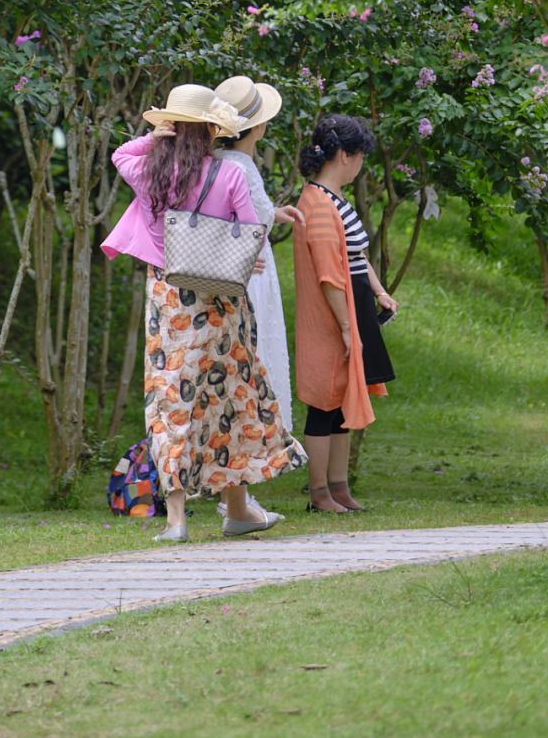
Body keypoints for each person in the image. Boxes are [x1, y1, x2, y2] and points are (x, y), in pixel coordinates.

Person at [102, 82, 306, 542]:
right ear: (215, 129)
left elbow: (120, 153)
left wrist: (160, 136)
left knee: (172, 399)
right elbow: (250, 231)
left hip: (170, 300)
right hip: (220, 302)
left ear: (174, 125)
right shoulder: (229, 174)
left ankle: (177, 519)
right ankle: (237, 508)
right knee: (230, 397)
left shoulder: (150, 172)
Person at [293, 113, 397, 513]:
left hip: (351, 310)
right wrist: (346, 327)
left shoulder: (332, 201)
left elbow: (354, 257)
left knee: (339, 401)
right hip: (331, 317)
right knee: (323, 403)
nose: (361, 164)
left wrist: (378, 290)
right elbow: (329, 277)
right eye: (360, 155)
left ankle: (338, 488)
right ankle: (320, 493)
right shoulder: (319, 205)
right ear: (345, 156)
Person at [211, 74, 303, 522]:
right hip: (250, 276)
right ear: (258, 126)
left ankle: (240, 495)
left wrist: (273, 213)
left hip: (245, 271)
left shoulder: (225, 161)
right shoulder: (239, 165)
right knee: (252, 372)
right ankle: (239, 498)